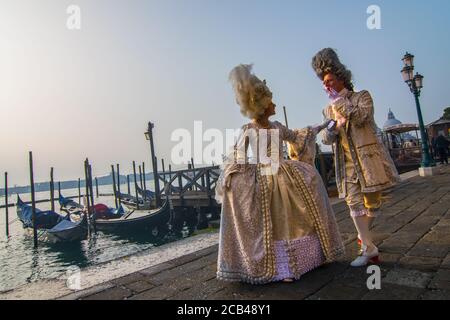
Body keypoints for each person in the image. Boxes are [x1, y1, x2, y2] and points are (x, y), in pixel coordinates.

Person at [215, 64, 344, 284]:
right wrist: (234, 176)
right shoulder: (249, 130)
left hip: (284, 173)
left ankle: (304, 259)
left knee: (294, 215)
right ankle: (282, 268)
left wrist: (321, 125)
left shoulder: (276, 126)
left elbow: (297, 137)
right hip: (264, 178)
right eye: (270, 100)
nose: (274, 103)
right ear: (262, 104)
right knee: (273, 223)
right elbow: (236, 155)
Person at [312, 48, 401, 267]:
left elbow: (362, 117)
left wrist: (339, 103)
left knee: (373, 206)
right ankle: (369, 249)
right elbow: (325, 138)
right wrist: (332, 129)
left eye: (330, 80)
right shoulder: (327, 110)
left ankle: (365, 237)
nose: (327, 86)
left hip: (367, 160)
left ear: (341, 77)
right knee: (354, 204)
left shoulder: (362, 96)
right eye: (324, 83)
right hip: (346, 164)